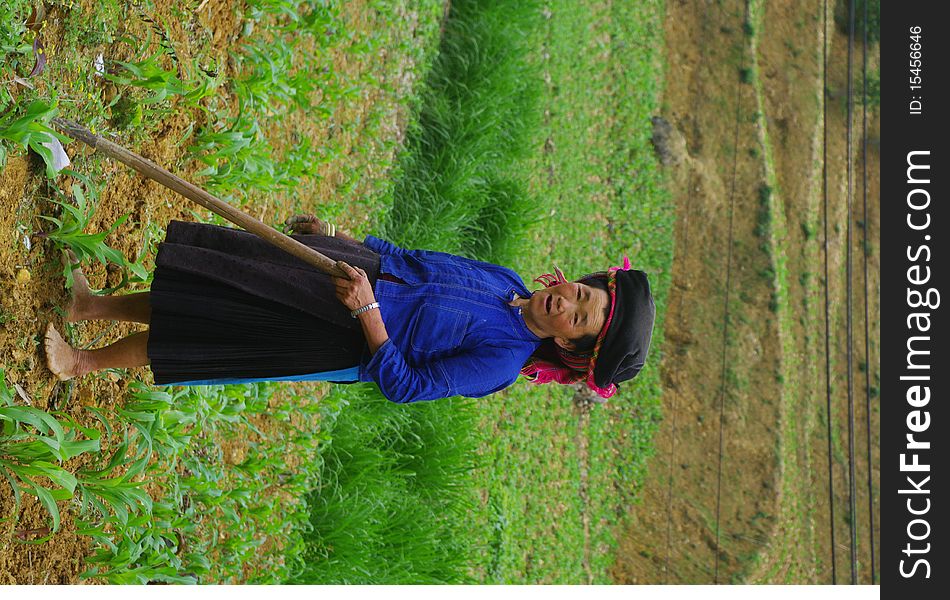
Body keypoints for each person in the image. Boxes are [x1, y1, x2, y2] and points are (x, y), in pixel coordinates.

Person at [44, 215, 655, 403]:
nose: (567, 301)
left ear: (570, 347)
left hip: (336, 334)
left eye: (579, 318)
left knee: (205, 329)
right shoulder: (507, 280)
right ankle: (92, 305)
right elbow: (416, 258)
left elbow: (408, 386)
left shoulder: (499, 362)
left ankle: (84, 363)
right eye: (582, 293)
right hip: (343, 273)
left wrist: (367, 313)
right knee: (206, 290)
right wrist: (345, 240)